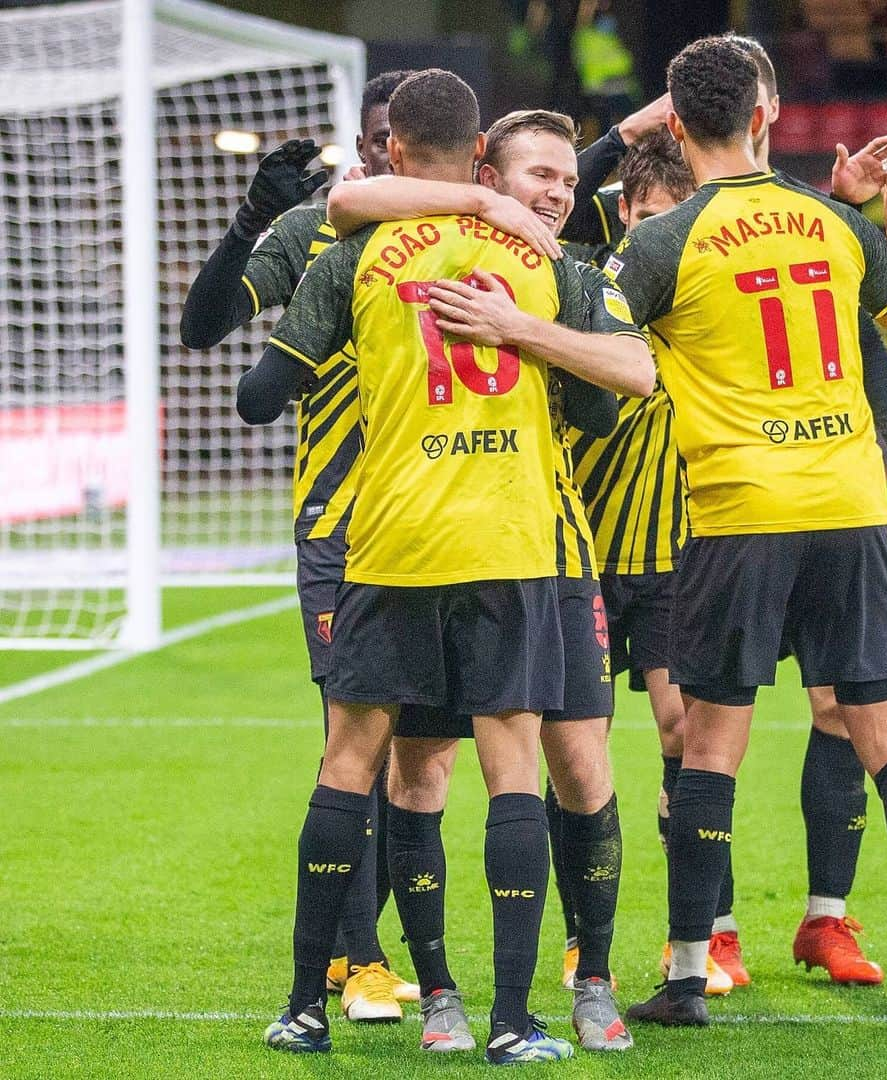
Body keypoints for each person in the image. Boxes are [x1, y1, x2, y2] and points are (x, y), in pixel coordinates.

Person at [246, 69, 653, 1061]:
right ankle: (514, 1021)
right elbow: (619, 395)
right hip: (511, 541)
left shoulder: (357, 253)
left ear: (393, 153)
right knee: (516, 771)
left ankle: (309, 1005)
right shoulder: (540, 259)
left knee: (358, 768)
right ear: (482, 159)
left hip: (388, 544)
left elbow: (263, 392)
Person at [604, 36, 887, 1030]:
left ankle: (689, 974)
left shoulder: (663, 241)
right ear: (768, 116)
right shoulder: (837, 225)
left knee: (712, 749)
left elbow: (603, 347)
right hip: (848, 509)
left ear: (677, 127)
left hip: (739, 513)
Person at [179, 70, 426, 1022]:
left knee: (420, 761)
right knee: (354, 744)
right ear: (362, 144)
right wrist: (249, 219)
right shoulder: (309, 235)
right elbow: (204, 329)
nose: (380, 155)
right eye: (370, 139)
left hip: (443, 522)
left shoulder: (466, 240)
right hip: (339, 527)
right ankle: (362, 960)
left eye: (396, 139)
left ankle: (344, 952)